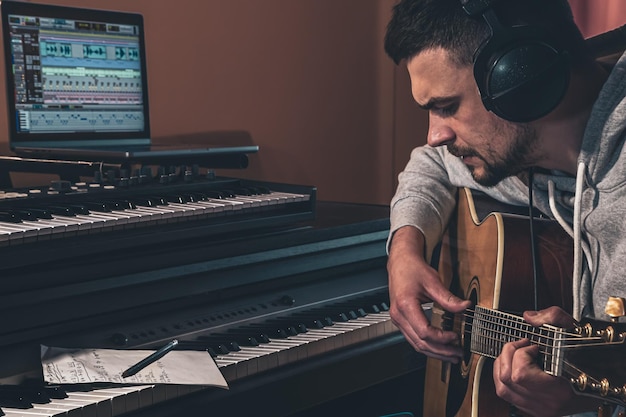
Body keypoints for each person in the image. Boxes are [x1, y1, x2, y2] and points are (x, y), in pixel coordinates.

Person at [383, 0, 626, 416]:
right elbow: (429, 165)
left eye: (446, 106)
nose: (435, 135)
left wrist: (583, 396)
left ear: (521, 78)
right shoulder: (522, 154)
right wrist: (404, 249)